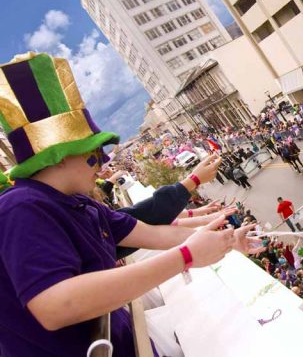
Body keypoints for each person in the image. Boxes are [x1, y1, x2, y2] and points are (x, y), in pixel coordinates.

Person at [0, 52, 262, 357]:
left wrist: (228, 241)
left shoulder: (81, 204)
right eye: (94, 153)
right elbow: (56, 305)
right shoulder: (20, 208)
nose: (105, 162)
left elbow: (156, 234)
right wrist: (187, 256)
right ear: (58, 156)